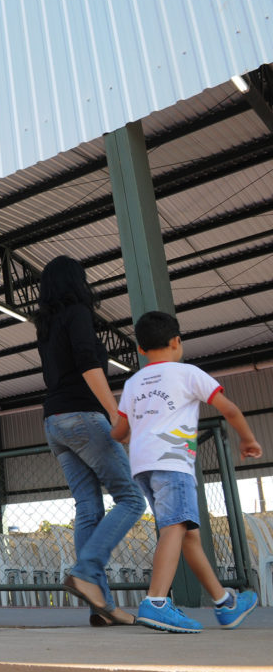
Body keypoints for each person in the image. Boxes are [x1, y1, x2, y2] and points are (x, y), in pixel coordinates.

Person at [111, 311, 262, 633]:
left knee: (188, 534)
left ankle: (225, 604)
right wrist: (247, 440)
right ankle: (156, 602)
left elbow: (119, 432)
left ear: (140, 349)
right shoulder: (188, 373)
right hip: (172, 462)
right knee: (176, 527)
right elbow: (229, 408)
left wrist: (130, 431)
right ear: (177, 341)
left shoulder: (133, 382)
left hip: (143, 467)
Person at [35, 255, 145, 626]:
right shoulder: (78, 314)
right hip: (82, 416)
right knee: (131, 498)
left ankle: (101, 607)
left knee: (88, 508)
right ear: (76, 282)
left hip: (54, 421)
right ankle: (85, 571)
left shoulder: (46, 325)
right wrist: (115, 413)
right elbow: (87, 362)